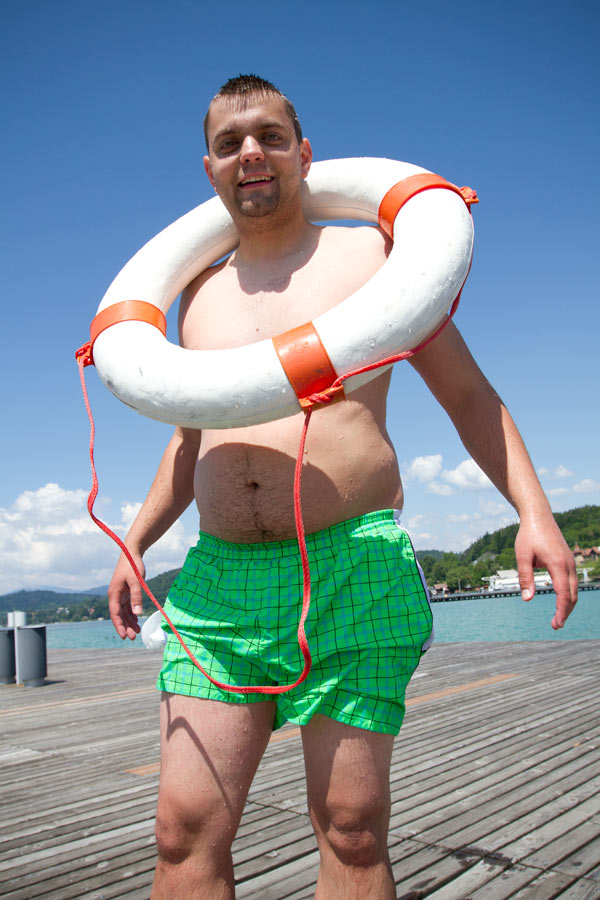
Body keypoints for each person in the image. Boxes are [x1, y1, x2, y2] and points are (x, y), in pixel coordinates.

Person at [108, 75, 578, 900]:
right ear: (210, 169)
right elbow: (188, 438)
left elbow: (468, 395)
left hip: (352, 566)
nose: (250, 152)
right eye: (228, 143)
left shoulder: (371, 258)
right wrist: (136, 540)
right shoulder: (198, 294)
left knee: (352, 828)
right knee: (182, 829)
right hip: (219, 580)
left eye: (269, 135)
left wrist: (533, 512)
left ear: (303, 153)